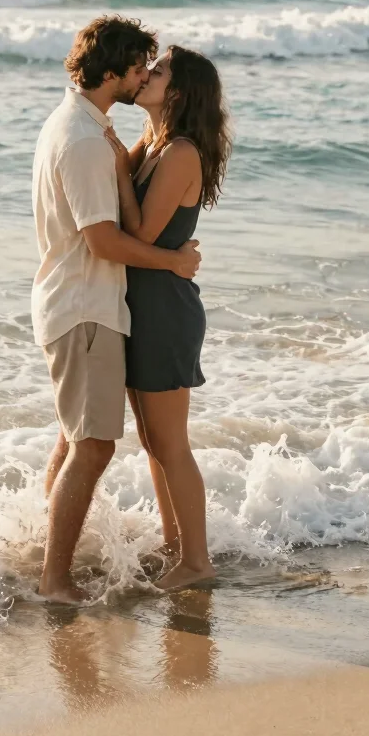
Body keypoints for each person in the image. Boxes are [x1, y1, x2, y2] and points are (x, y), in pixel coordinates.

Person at [32, 17, 202, 604]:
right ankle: (55, 576)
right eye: (138, 67)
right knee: (93, 445)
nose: (143, 76)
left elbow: (131, 214)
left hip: (97, 305)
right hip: (86, 305)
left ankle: (51, 559)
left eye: (153, 70)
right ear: (113, 72)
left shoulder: (90, 129)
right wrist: (174, 262)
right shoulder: (85, 139)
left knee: (81, 440)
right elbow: (108, 240)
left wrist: (171, 261)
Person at [104, 45, 232, 590]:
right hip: (143, 306)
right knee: (155, 442)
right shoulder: (153, 143)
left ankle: (197, 562)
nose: (145, 76)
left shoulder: (179, 151)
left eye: (157, 72)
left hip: (164, 313)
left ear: (176, 92)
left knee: (171, 443)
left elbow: (139, 236)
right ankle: (175, 544)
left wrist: (114, 161)